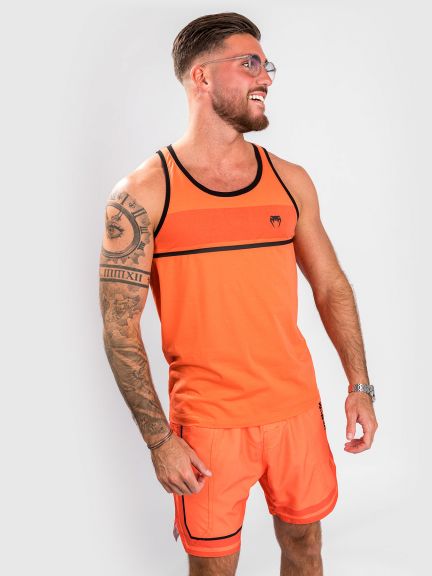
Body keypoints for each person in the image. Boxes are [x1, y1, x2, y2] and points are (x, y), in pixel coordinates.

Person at [99, 11, 378, 576]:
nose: (266, 77)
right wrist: (159, 441)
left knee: (305, 548)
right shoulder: (144, 194)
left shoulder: (289, 180)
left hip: (295, 411)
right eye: (249, 63)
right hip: (208, 425)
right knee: (214, 568)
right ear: (201, 77)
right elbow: (119, 327)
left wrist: (360, 384)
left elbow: (330, 286)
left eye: (267, 65)